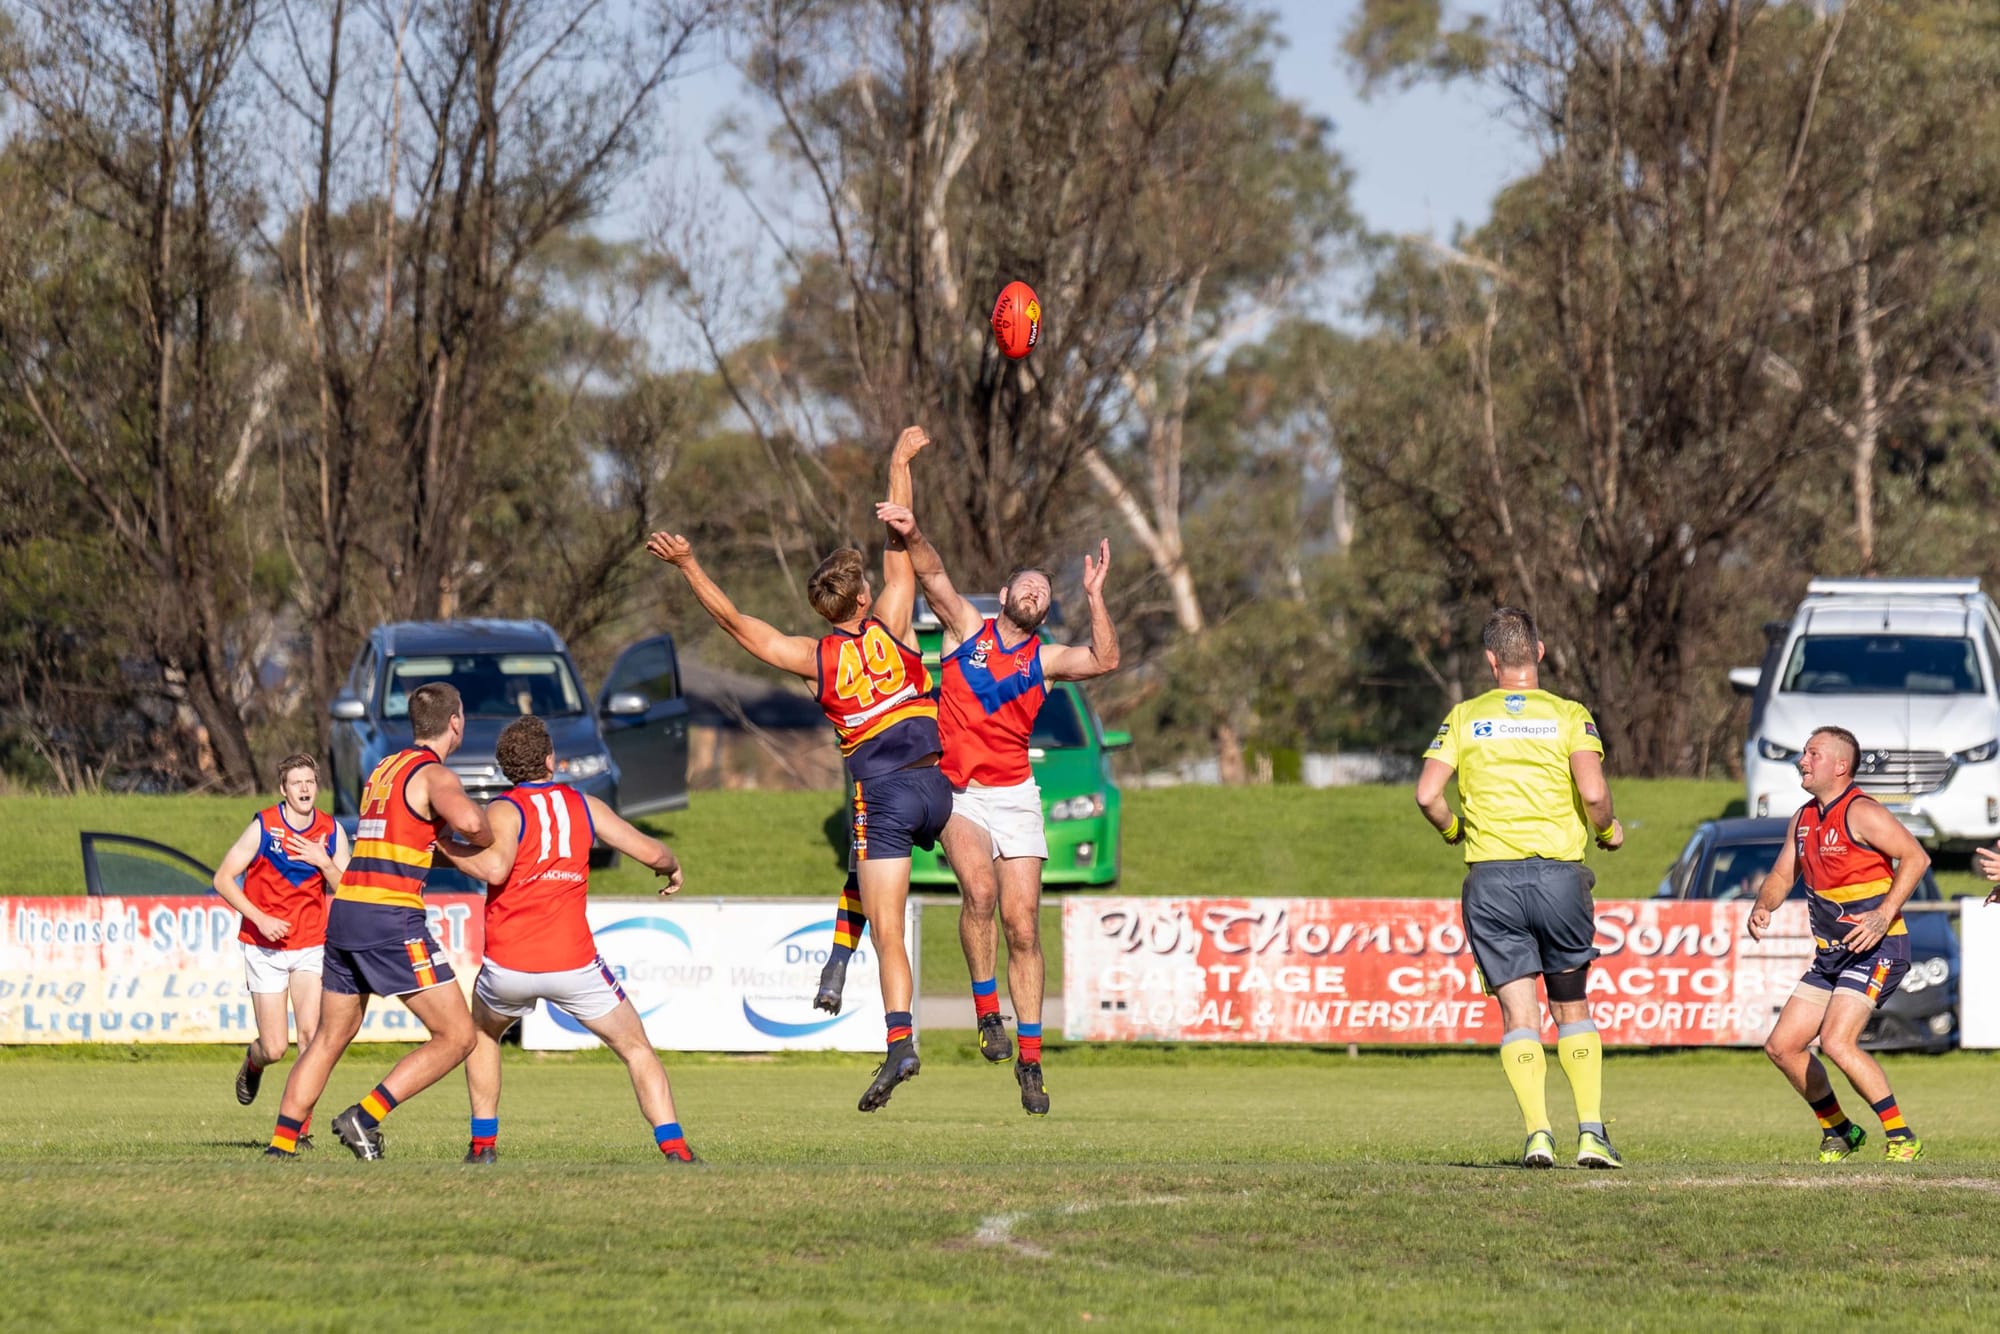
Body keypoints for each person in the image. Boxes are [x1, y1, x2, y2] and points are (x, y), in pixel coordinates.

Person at [647, 425, 948, 1114]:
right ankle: (866, 971)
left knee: (890, 924)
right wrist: (899, 464)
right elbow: (898, 543)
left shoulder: (815, 658)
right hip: (941, 782)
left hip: (886, 795)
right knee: (890, 873)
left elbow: (735, 623)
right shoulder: (895, 623)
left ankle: (899, 1040)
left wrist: (690, 564)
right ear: (865, 600)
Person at [874, 499, 1119, 1117]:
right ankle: (988, 1013)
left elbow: (1106, 660)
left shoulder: (1047, 660)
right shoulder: (966, 632)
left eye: (1044, 591)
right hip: (958, 792)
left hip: (1015, 794)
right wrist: (915, 531)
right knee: (978, 893)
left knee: (1023, 923)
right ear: (1005, 594)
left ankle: (1031, 1062)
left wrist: (1093, 595)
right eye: (1027, 585)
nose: (1035, 593)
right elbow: (933, 576)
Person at [1414, 606, 1624, 1169]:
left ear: (1490, 661)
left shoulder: (1464, 717)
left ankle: (1537, 1133)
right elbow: (1595, 793)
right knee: (1572, 1005)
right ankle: (1590, 1134)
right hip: (1558, 877)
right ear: (1539, 652)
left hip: (1492, 880)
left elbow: (1428, 795)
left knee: (1519, 1016)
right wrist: (1606, 831)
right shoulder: (1568, 714)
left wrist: (1455, 831)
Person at [434, 715, 696, 1164]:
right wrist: (669, 865)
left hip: (509, 965)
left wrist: (442, 846)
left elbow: (491, 867)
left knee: (482, 1035)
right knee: (636, 1049)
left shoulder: (502, 809)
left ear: (504, 769)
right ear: (551, 760)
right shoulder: (584, 805)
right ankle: (676, 1151)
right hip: (574, 964)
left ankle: (483, 1147)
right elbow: (652, 851)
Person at [264, 681, 490, 1160]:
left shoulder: (385, 768)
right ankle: (364, 1116)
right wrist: (491, 835)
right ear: (456, 723)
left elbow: (402, 839)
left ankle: (281, 1144)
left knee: (329, 1037)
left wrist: (435, 846)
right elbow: (471, 824)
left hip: (346, 909)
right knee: (458, 1036)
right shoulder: (433, 774)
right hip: (390, 916)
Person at [1748, 726, 1928, 1164]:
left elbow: (1917, 857)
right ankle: (1841, 1130)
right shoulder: (1804, 817)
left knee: (1836, 1042)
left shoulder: (1861, 811)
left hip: (1878, 948)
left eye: (1813, 753)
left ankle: (1902, 1135)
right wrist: (1763, 904)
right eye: (1804, 753)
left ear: (1841, 766)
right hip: (1831, 955)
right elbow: (1780, 876)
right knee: (1782, 1047)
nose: (1802, 760)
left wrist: (1884, 913)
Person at [211, 753, 352, 1122]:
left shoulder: (332, 831)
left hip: (311, 945)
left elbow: (349, 888)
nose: (304, 789)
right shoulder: (263, 826)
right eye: (296, 783)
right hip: (265, 947)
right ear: (283, 790)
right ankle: (253, 1063)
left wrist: (324, 862)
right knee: (275, 1047)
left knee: (310, 1037)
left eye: (309, 782)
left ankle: (298, 1126)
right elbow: (223, 879)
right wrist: (259, 918)